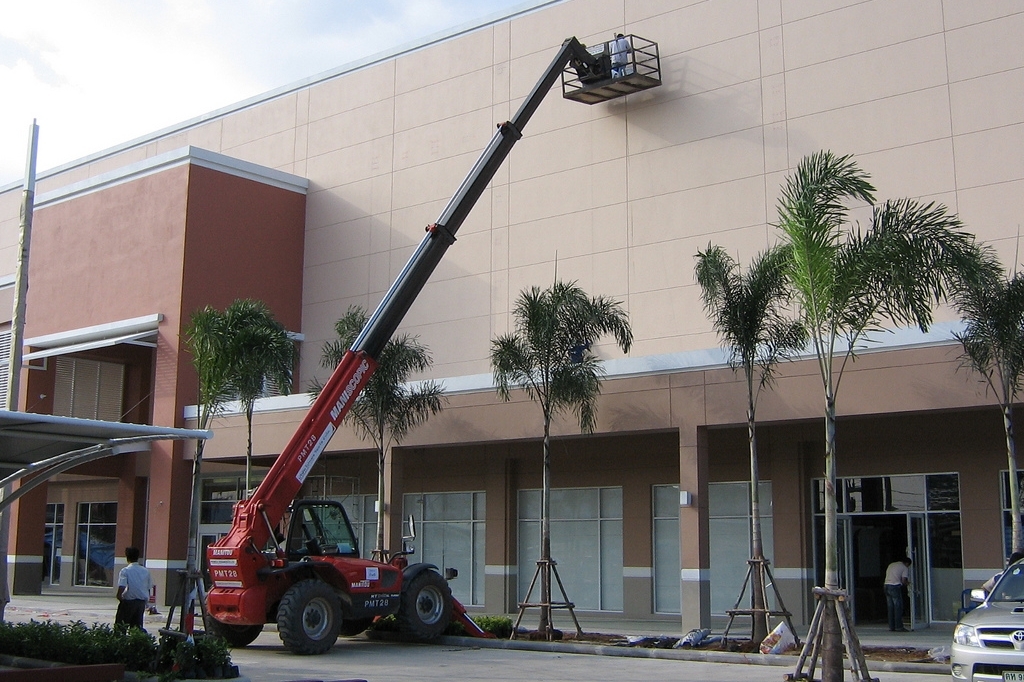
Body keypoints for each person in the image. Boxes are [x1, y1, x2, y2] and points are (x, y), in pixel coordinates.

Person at [115, 546, 152, 630]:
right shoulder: (145, 571)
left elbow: (122, 586)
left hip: (129, 601)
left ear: (127, 557)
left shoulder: (125, 571)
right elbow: (149, 587)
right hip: (141, 602)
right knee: (137, 628)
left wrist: (119, 596)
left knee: (121, 626)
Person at [883, 557, 912, 632]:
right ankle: (899, 627)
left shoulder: (892, 565)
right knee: (898, 607)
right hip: (895, 586)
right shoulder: (904, 567)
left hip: (886, 585)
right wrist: (908, 584)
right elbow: (903, 580)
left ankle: (891, 626)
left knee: (890, 607)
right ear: (907, 564)